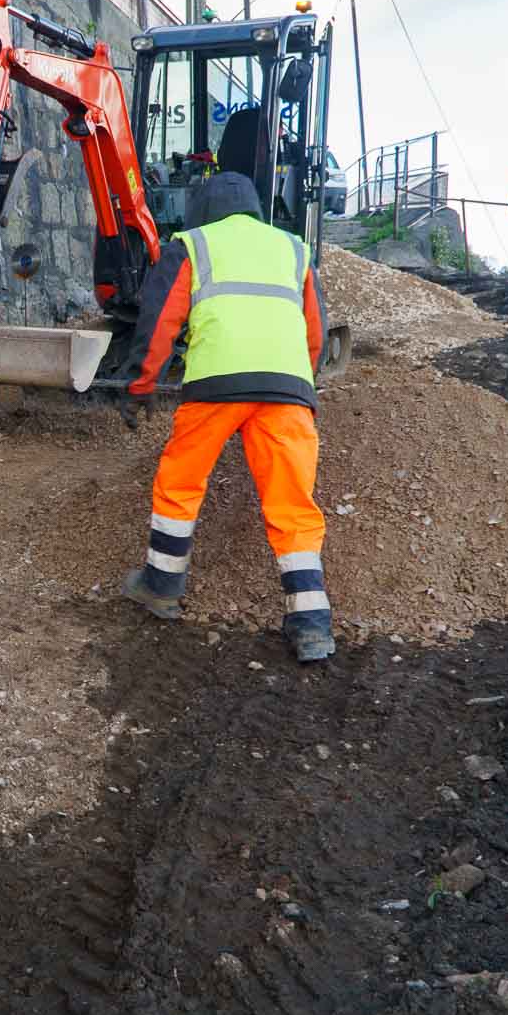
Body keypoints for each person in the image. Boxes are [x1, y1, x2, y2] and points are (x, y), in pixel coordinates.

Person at [119, 172, 334, 663]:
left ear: (202, 210)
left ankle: (162, 585)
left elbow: (160, 322)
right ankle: (311, 624)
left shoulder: (193, 244)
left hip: (216, 386)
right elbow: (315, 334)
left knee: (181, 482)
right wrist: (302, 385)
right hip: (287, 390)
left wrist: (140, 384)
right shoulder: (293, 248)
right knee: (292, 503)